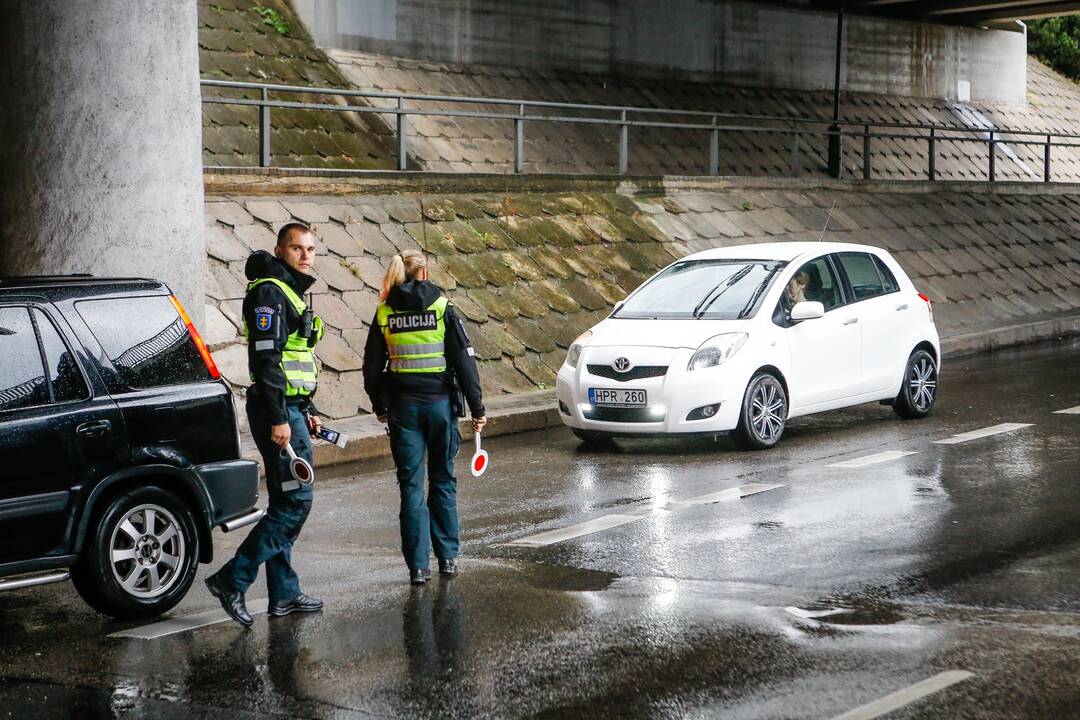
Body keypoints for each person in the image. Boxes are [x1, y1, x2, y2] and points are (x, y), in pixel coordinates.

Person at [205, 222, 326, 626]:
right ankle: (232, 579)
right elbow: (266, 360)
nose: (306, 255)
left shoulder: (287, 289)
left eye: (310, 249)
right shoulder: (270, 292)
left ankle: (284, 595)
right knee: (296, 502)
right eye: (297, 248)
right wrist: (280, 417)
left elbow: (295, 358)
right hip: (278, 411)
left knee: (284, 500)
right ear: (280, 250)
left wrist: (305, 408)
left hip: (291, 407)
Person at [362, 249, 486, 585]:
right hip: (441, 407)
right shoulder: (443, 307)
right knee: (443, 480)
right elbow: (464, 362)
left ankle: (418, 568)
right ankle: (447, 558)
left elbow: (371, 366)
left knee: (411, 488)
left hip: (404, 410)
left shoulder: (384, 312)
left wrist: (379, 405)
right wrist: (478, 408)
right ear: (424, 273)